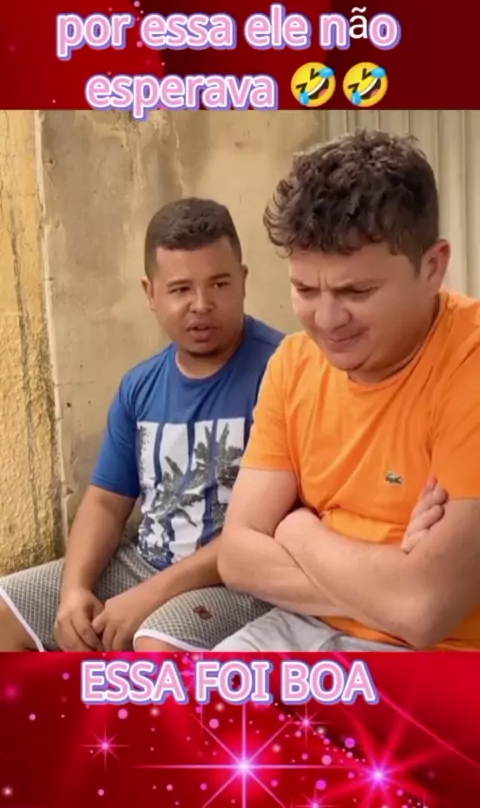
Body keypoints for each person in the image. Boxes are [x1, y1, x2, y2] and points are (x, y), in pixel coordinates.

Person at [216, 129, 480, 653]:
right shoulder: (292, 364)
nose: (327, 319)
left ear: (432, 267)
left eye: (357, 291)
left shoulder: (467, 362)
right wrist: (392, 578)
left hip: (439, 658)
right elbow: (237, 556)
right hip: (300, 627)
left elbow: (424, 610)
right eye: (305, 289)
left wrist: (296, 529)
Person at [0, 197, 283, 652]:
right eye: (180, 289)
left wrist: (149, 598)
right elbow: (106, 503)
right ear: (150, 293)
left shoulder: (283, 372)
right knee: (5, 615)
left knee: (154, 646)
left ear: (243, 281)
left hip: (237, 580)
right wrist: (75, 589)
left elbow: (267, 527)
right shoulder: (140, 385)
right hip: (143, 563)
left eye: (219, 284)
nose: (201, 305)